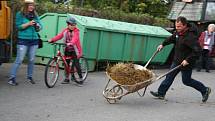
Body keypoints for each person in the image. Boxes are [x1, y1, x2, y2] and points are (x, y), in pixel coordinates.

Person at [150, 16, 211, 103]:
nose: (177, 28)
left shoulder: (190, 37)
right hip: (177, 60)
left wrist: (187, 60)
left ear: (185, 25)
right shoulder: (179, 33)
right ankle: (161, 93)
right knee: (169, 77)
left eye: (179, 26)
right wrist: (163, 44)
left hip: (186, 63)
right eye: (176, 26)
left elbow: (197, 51)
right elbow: (171, 38)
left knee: (187, 81)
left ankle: (205, 90)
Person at [8, 0, 42, 86]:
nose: (32, 7)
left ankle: (29, 77)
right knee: (19, 59)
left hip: (34, 40)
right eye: (30, 5)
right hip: (23, 40)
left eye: (33, 5)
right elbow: (18, 27)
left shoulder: (35, 15)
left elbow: (41, 26)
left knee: (31, 59)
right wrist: (28, 24)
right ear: (26, 5)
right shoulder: (20, 14)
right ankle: (12, 78)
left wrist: (38, 26)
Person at [48, 15, 83, 85]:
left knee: (76, 64)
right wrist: (52, 39)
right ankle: (67, 78)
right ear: (68, 24)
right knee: (66, 64)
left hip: (75, 50)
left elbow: (75, 38)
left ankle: (80, 78)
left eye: (74, 24)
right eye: (71, 24)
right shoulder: (65, 30)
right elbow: (59, 36)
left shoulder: (76, 31)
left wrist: (71, 43)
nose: (73, 26)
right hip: (67, 49)